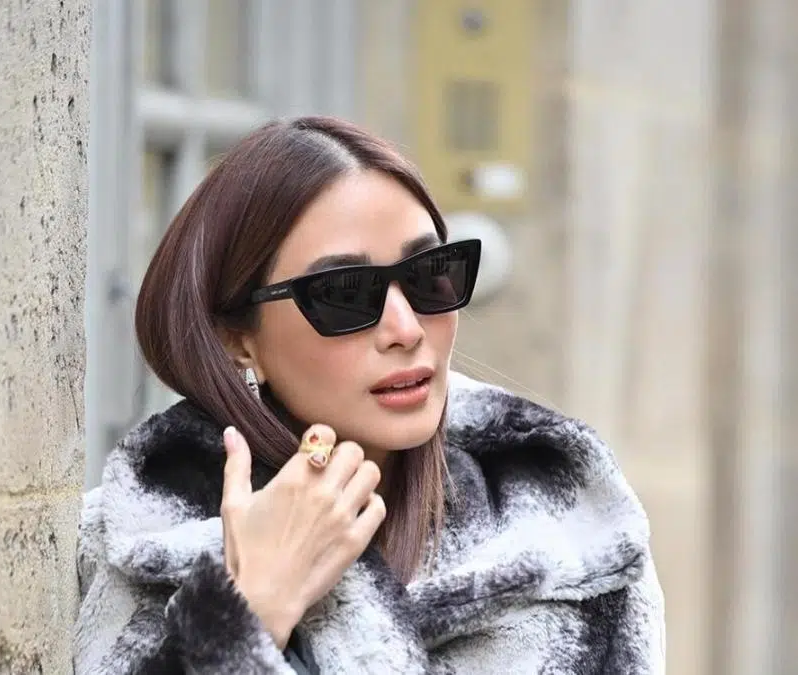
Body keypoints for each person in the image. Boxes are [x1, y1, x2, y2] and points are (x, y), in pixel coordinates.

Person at [73, 116, 665, 674]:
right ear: (238, 339)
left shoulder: (568, 525)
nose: (405, 330)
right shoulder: (148, 537)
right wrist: (245, 615)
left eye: (429, 274)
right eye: (345, 294)